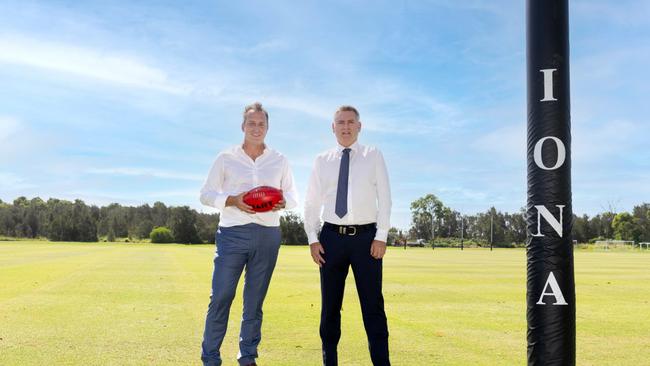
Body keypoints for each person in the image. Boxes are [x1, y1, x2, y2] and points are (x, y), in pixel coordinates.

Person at [199, 102, 298, 366]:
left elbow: (292, 196)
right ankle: (210, 359)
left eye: (261, 124)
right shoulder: (226, 158)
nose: (256, 128)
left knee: (254, 302)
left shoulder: (280, 160)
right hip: (232, 233)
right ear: (243, 126)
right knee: (221, 296)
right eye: (251, 123)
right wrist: (233, 200)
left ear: (267, 127)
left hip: (268, 234)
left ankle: (248, 357)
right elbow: (206, 194)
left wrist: (281, 202)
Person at [304, 105, 392, 366]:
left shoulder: (373, 155)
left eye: (350, 122)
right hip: (330, 239)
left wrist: (382, 235)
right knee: (330, 308)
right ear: (333, 127)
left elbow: (385, 199)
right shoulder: (322, 160)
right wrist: (312, 237)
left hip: (367, 240)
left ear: (359, 126)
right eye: (340, 122)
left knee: (373, 307)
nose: (345, 126)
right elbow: (311, 202)